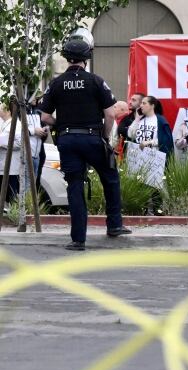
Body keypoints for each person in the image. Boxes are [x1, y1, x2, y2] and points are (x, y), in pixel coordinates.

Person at [39, 37, 131, 250]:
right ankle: (114, 225)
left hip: (68, 140)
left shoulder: (56, 83)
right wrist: (106, 138)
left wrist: (63, 125)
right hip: (92, 138)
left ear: (67, 57)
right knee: (110, 178)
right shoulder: (96, 81)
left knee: (74, 186)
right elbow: (110, 114)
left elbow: (44, 117)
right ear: (86, 58)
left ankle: (78, 239)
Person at [127, 95, 174, 160]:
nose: (141, 106)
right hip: (138, 157)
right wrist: (136, 119)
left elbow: (166, 141)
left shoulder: (160, 121)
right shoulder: (140, 120)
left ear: (152, 106)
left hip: (154, 158)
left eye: (144, 103)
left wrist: (149, 142)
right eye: (141, 103)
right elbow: (130, 135)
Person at [0, 102, 22, 203]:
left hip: (12, 167)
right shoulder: (3, 123)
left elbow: (19, 143)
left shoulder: (16, 124)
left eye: (0, 108)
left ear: (8, 111)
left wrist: (2, 143)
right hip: (3, 166)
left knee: (11, 196)